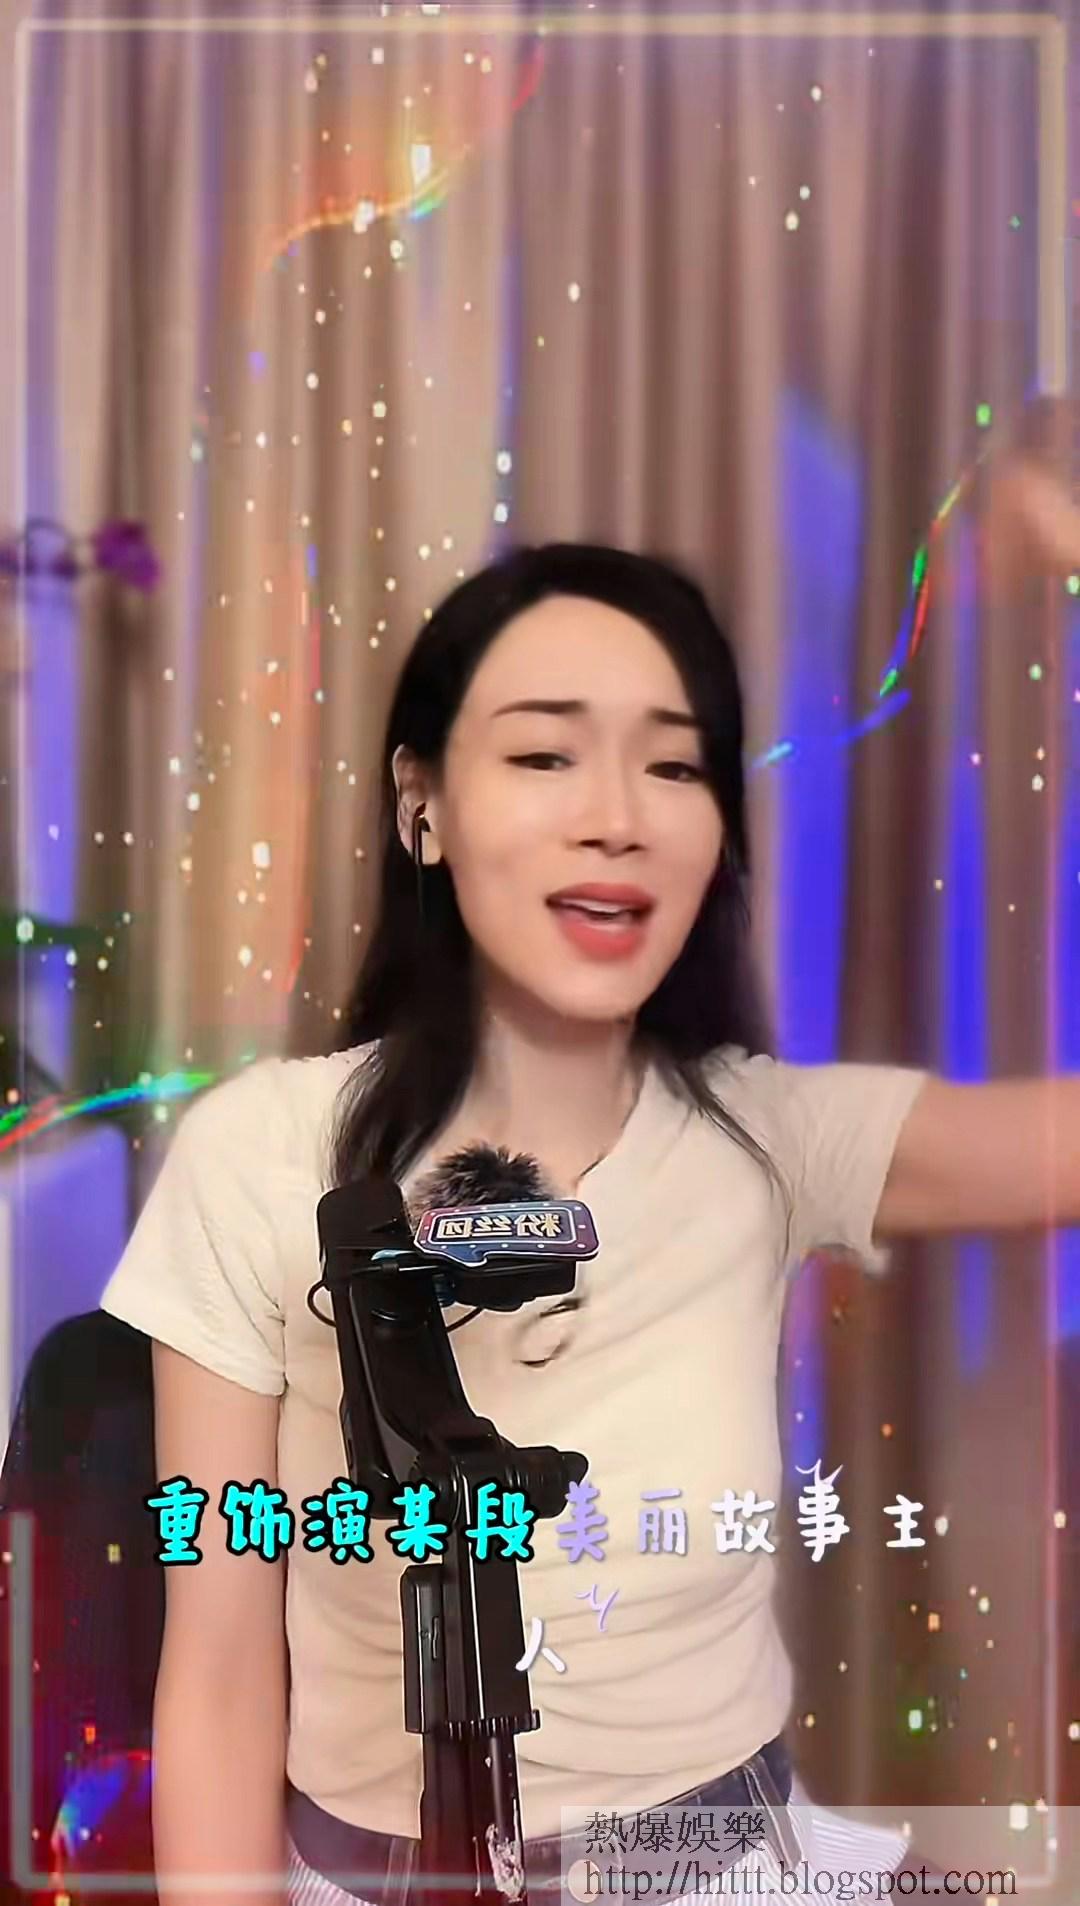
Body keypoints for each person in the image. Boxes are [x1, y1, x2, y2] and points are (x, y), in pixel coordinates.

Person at [99, 542, 1079, 1906]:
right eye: (544, 754)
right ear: (422, 805)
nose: (617, 816)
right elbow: (216, 1667)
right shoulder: (262, 1153)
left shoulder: (773, 1136)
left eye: (674, 766)